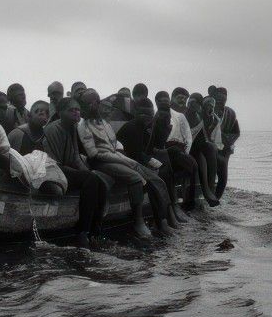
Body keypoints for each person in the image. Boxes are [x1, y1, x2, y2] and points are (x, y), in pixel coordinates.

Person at [77, 89, 157, 239]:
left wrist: (125, 159)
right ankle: (138, 221)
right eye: (86, 104)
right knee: (134, 177)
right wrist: (123, 160)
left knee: (143, 171)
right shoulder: (83, 125)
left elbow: (113, 147)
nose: (89, 107)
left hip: (112, 158)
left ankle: (155, 211)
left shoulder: (104, 123)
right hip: (98, 162)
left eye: (92, 103)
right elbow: (94, 154)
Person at [43, 98, 111, 247]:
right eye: (71, 110)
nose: (76, 112)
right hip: (54, 171)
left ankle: (96, 231)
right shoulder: (53, 129)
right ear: (60, 113)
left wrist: (89, 172)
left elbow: (75, 156)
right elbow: (55, 163)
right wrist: (87, 175)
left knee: (99, 181)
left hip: (66, 169)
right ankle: (82, 232)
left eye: (78, 109)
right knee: (90, 179)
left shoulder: (72, 127)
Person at [117, 98, 180, 230]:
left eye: (150, 114)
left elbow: (147, 150)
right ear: (136, 113)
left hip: (137, 162)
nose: (147, 117)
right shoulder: (132, 127)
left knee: (164, 174)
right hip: (125, 162)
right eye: (143, 114)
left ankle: (167, 216)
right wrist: (151, 164)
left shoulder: (146, 127)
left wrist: (154, 163)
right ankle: (161, 222)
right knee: (154, 182)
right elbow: (134, 154)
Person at [153, 91, 196, 220]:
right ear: (156, 102)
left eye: (166, 101)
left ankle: (189, 203)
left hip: (178, 150)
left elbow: (188, 138)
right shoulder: (154, 117)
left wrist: (185, 153)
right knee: (168, 169)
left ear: (169, 101)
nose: (164, 103)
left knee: (193, 165)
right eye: (161, 101)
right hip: (163, 152)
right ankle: (174, 206)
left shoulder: (179, 116)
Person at [187, 93, 221, 206]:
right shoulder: (185, 114)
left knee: (211, 148)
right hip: (184, 148)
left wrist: (211, 123)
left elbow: (203, 138)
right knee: (200, 155)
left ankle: (210, 190)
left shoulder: (201, 117)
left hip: (194, 146)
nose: (191, 105)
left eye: (194, 103)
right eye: (190, 102)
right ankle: (207, 191)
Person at [212, 86, 240, 199]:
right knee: (211, 173)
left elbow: (236, 132)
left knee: (223, 177)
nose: (221, 102)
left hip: (225, 149)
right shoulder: (208, 110)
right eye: (218, 100)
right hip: (210, 148)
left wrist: (227, 141)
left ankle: (216, 201)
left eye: (223, 100)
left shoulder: (230, 113)